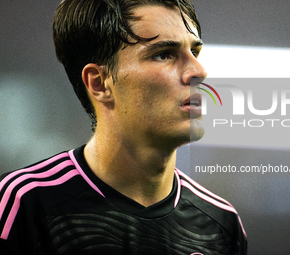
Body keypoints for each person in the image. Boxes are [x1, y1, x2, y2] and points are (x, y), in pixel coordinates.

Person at [0, 0, 247, 254]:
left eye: (194, 52)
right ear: (99, 83)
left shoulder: (221, 225)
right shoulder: (25, 205)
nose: (198, 71)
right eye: (163, 54)